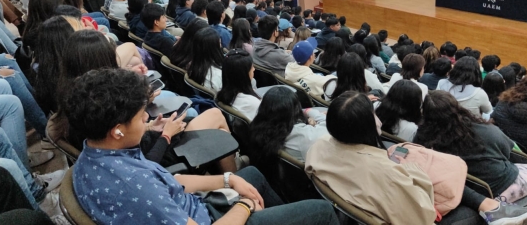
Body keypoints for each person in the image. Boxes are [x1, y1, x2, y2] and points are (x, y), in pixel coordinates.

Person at [67, 68, 339, 225]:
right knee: (322, 210)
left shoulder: (94, 152)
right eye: (141, 117)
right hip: (211, 219)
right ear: (117, 130)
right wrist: (244, 206)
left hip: (195, 206)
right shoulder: (133, 185)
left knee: (252, 175)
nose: (148, 120)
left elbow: (168, 180)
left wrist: (227, 177)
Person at [305, 91, 439, 223]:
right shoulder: (389, 175)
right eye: (373, 114)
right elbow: (425, 215)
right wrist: (412, 169)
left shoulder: (318, 146)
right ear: (364, 126)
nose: (379, 120)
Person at [415, 91, 527, 214]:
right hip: (505, 187)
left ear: (425, 114)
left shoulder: (422, 140)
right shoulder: (484, 130)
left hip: (478, 192)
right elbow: (506, 150)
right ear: (456, 108)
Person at [250, 86, 328, 172]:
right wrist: (309, 111)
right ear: (296, 109)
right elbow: (329, 124)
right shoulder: (304, 136)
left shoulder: (258, 127)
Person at [217, 48, 262, 120]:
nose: (254, 69)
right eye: (251, 67)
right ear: (243, 74)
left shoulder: (220, 94)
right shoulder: (254, 103)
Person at [186, 27, 224, 91]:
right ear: (213, 48)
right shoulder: (219, 75)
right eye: (219, 43)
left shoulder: (191, 64)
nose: (221, 46)